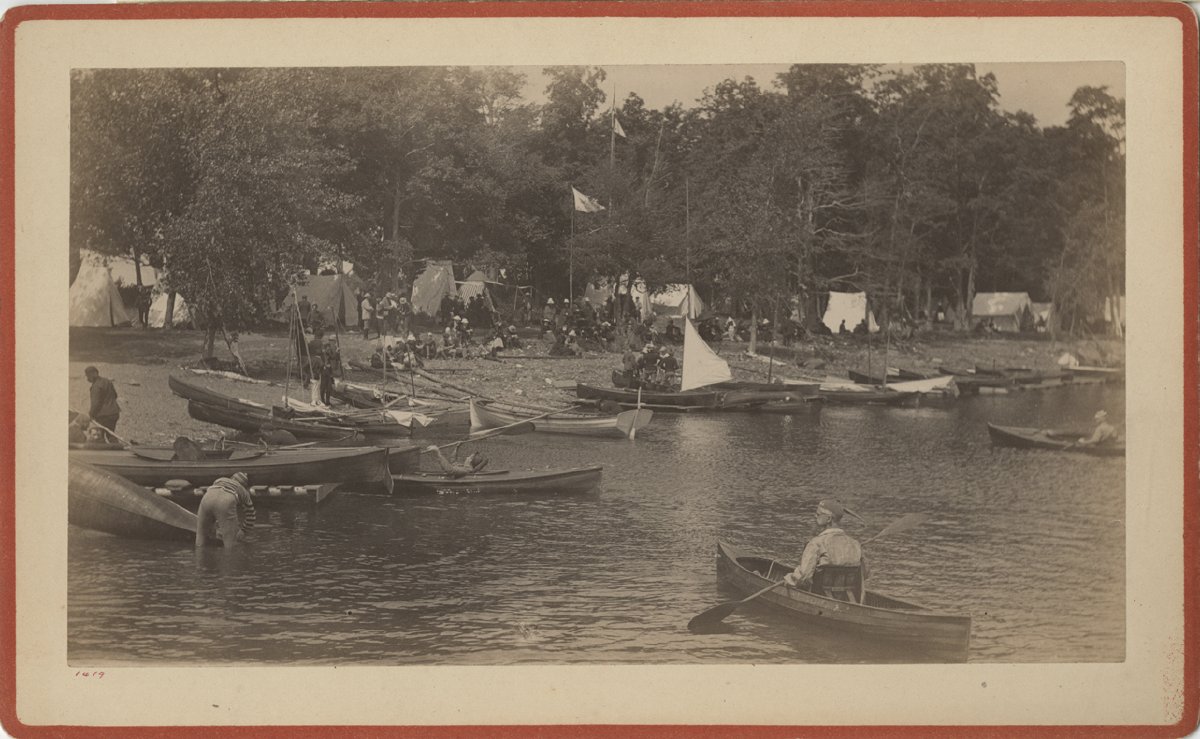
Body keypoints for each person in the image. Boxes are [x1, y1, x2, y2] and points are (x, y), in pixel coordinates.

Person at [784, 499, 868, 591]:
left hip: (819, 594)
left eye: (818, 514)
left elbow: (804, 577)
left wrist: (789, 579)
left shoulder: (816, 543)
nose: (815, 516)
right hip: (845, 596)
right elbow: (865, 574)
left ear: (828, 519)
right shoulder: (855, 544)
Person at [195, 471, 256, 548]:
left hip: (207, 497)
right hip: (226, 500)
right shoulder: (243, 491)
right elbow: (251, 515)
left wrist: (216, 527)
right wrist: (244, 531)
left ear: (231, 478)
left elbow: (214, 507)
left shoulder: (219, 480)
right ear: (244, 485)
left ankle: (199, 557)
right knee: (231, 543)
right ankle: (230, 557)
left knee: (200, 537)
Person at [84, 366, 120, 442]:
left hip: (104, 416)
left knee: (100, 436)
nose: (87, 378)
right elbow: (115, 395)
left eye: (88, 376)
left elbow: (96, 403)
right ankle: (116, 449)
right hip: (114, 413)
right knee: (111, 434)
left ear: (94, 374)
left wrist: (91, 414)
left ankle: (110, 450)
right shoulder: (107, 381)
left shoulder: (96, 386)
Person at [424, 445, 488, 478]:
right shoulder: (463, 466)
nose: (466, 457)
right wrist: (457, 447)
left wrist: (438, 452)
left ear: (470, 460)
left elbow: (450, 470)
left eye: (468, 457)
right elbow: (453, 460)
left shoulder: (467, 470)